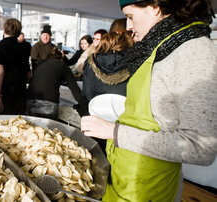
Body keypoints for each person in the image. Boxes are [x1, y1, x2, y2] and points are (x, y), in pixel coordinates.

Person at [80, 0, 217, 201]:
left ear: (154, 6)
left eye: (130, 17)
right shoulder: (157, 48)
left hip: (150, 188)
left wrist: (113, 131)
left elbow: (201, 147)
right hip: (124, 176)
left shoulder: (194, 51)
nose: (128, 27)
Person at [26, 47, 86, 120]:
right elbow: (74, 88)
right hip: (48, 103)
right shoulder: (62, 65)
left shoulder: (40, 64)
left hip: (30, 100)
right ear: (61, 58)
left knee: (33, 128)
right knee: (49, 129)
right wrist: (83, 105)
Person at [0, 18, 31, 115]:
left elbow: (0, 71)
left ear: (4, 29)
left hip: (6, 92)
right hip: (21, 92)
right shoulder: (24, 47)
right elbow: (28, 73)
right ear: (19, 33)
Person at [82, 31, 134, 101]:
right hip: (124, 107)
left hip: (97, 107)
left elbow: (87, 91)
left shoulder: (91, 61)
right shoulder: (132, 61)